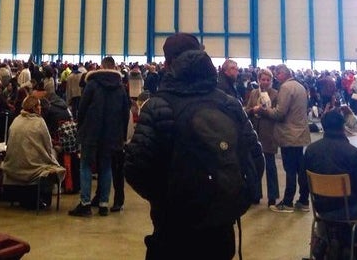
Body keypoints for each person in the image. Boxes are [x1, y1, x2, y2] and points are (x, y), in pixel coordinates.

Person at [125, 32, 263, 259]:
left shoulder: (157, 105)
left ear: (168, 64)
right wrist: (233, 201)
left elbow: (135, 167)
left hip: (173, 231)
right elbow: (255, 158)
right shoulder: (229, 104)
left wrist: (165, 199)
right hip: (221, 230)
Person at [68, 56, 130, 217]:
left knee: (86, 166)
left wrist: (80, 127)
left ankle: (85, 204)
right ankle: (103, 204)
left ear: (102, 66)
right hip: (112, 134)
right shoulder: (120, 87)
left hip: (91, 131)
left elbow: (82, 108)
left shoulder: (92, 84)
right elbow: (125, 113)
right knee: (106, 167)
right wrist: (122, 135)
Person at [260, 64, 311, 212]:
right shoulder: (300, 86)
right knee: (300, 169)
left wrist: (265, 110)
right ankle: (303, 200)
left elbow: (279, 113)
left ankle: (287, 202)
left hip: (289, 134)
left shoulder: (286, 88)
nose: (276, 77)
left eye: (277, 74)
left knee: (290, 169)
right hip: (300, 133)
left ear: (283, 74)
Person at [0, 95, 65, 208]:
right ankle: (46, 196)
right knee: (54, 156)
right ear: (35, 107)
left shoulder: (16, 121)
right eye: (39, 105)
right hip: (33, 168)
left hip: (13, 166)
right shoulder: (40, 122)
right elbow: (48, 146)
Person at [244, 68, 279, 207]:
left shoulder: (276, 94)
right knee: (255, 166)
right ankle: (255, 194)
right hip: (255, 133)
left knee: (270, 166)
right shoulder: (253, 93)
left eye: (268, 80)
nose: (265, 82)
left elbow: (277, 113)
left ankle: (272, 196)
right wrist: (253, 110)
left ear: (271, 81)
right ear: (259, 80)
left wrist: (264, 111)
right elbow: (246, 110)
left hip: (269, 132)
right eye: (263, 79)